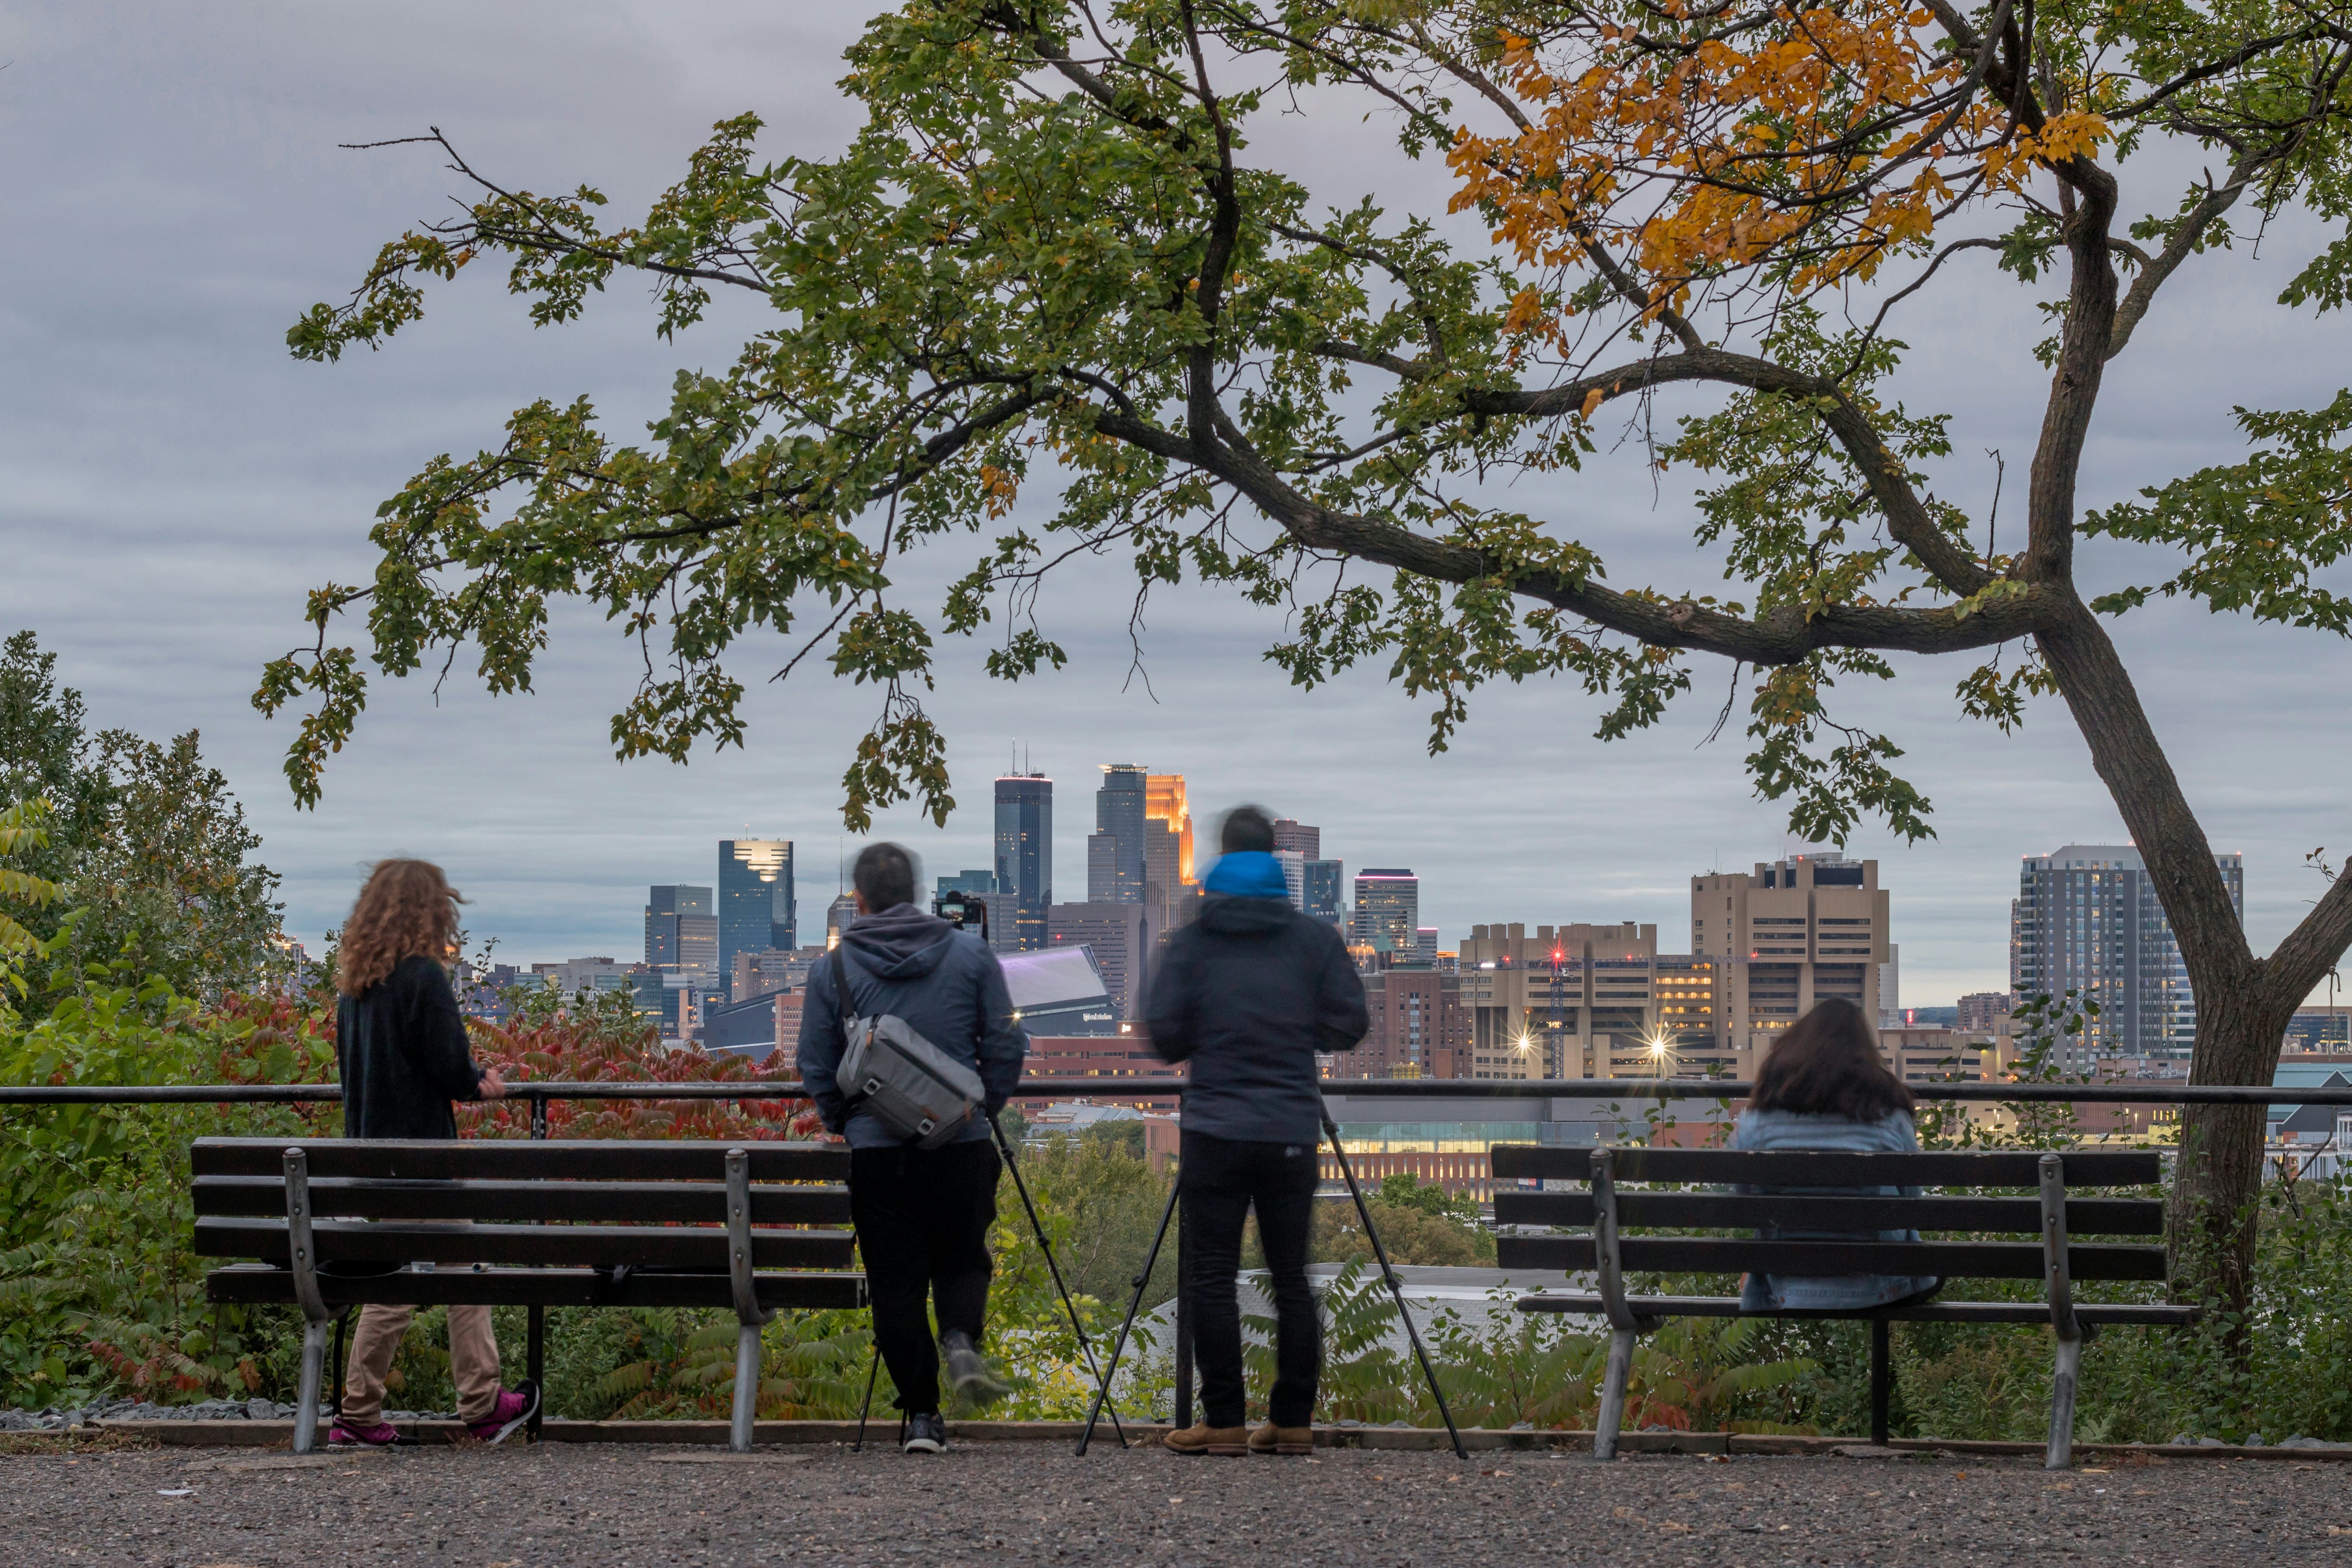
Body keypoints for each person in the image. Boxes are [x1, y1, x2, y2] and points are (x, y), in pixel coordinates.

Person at [1145, 806, 1369, 1456]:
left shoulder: (1191, 941)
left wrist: (1208, 1033)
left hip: (1215, 1125)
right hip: (1290, 1127)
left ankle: (1223, 1423)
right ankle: (1293, 1419)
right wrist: (1300, 1029)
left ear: (1220, 855)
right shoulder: (1313, 939)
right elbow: (1348, 1024)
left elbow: (1164, 1036)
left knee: (1212, 1275)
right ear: (1274, 857)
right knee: (1291, 1275)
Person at [796, 842, 1029, 1455]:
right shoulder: (972, 954)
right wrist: (984, 1104)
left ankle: (923, 1416)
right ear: (919, 894)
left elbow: (816, 1063)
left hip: (878, 1148)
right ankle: (960, 1336)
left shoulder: (835, 968)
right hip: (961, 1139)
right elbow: (1007, 1041)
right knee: (962, 1257)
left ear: (861, 899)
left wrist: (841, 1120)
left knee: (895, 1281)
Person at [328, 858, 539, 1448]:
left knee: (436, 1270)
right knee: (435, 1274)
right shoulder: (423, 978)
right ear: (432, 911)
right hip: (423, 1162)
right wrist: (482, 1083)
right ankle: (468, 1404)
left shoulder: (355, 991)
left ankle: (376, 1411)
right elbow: (450, 1068)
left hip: (373, 1159)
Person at [1732, 997, 1943, 1312]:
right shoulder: (1890, 1116)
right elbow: (1911, 1202)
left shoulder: (1756, 1123)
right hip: (1881, 1290)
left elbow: (1743, 1199)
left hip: (1790, 1289)